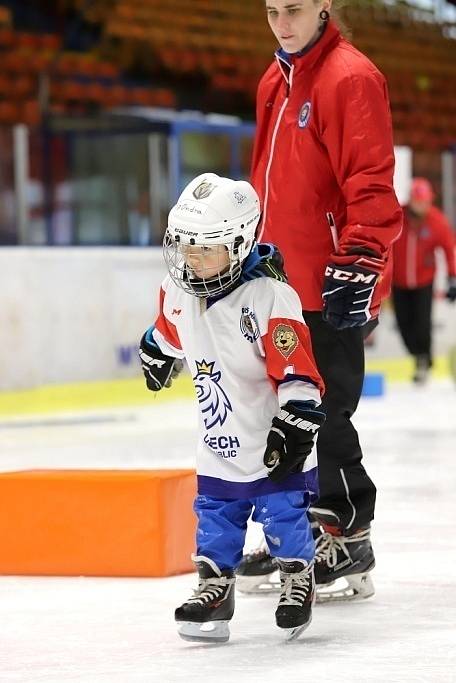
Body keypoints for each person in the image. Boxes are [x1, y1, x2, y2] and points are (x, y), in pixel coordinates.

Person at [237, 0, 403, 601]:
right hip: (277, 283)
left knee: (327, 412)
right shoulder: (272, 80)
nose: (284, 24)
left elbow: (370, 183)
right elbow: (264, 182)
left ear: (323, 5)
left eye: (296, 10)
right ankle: (294, 530)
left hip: (332, 278)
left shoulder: (350, 78)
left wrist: (360, 260)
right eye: (273, 11)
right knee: (275, 410)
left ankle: (347, 532)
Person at [139, 173, 325, 643]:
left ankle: (296, 576)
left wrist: (295, 423)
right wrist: (156, 350)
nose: (191, 258)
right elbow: (170, 330)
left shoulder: (268, 298)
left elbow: (296, 368)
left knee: (284, 513)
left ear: (240, 243)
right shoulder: (179, 289)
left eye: (205, 248)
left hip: (270, 441)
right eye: (185, 246)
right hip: (218, 441)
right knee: (216, 516)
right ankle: (215, 587)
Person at [392, 177, 456, 384]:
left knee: (422, 324)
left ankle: (424, 360)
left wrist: (452, 277)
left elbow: (449, 250)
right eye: (419, 201)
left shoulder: (437, 221)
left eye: (426, 201)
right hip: (398, 283)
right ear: (411, 199)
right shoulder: (397, 217)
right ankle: (418, 356)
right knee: (403, 325)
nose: (423, 205)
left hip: (424, 282)